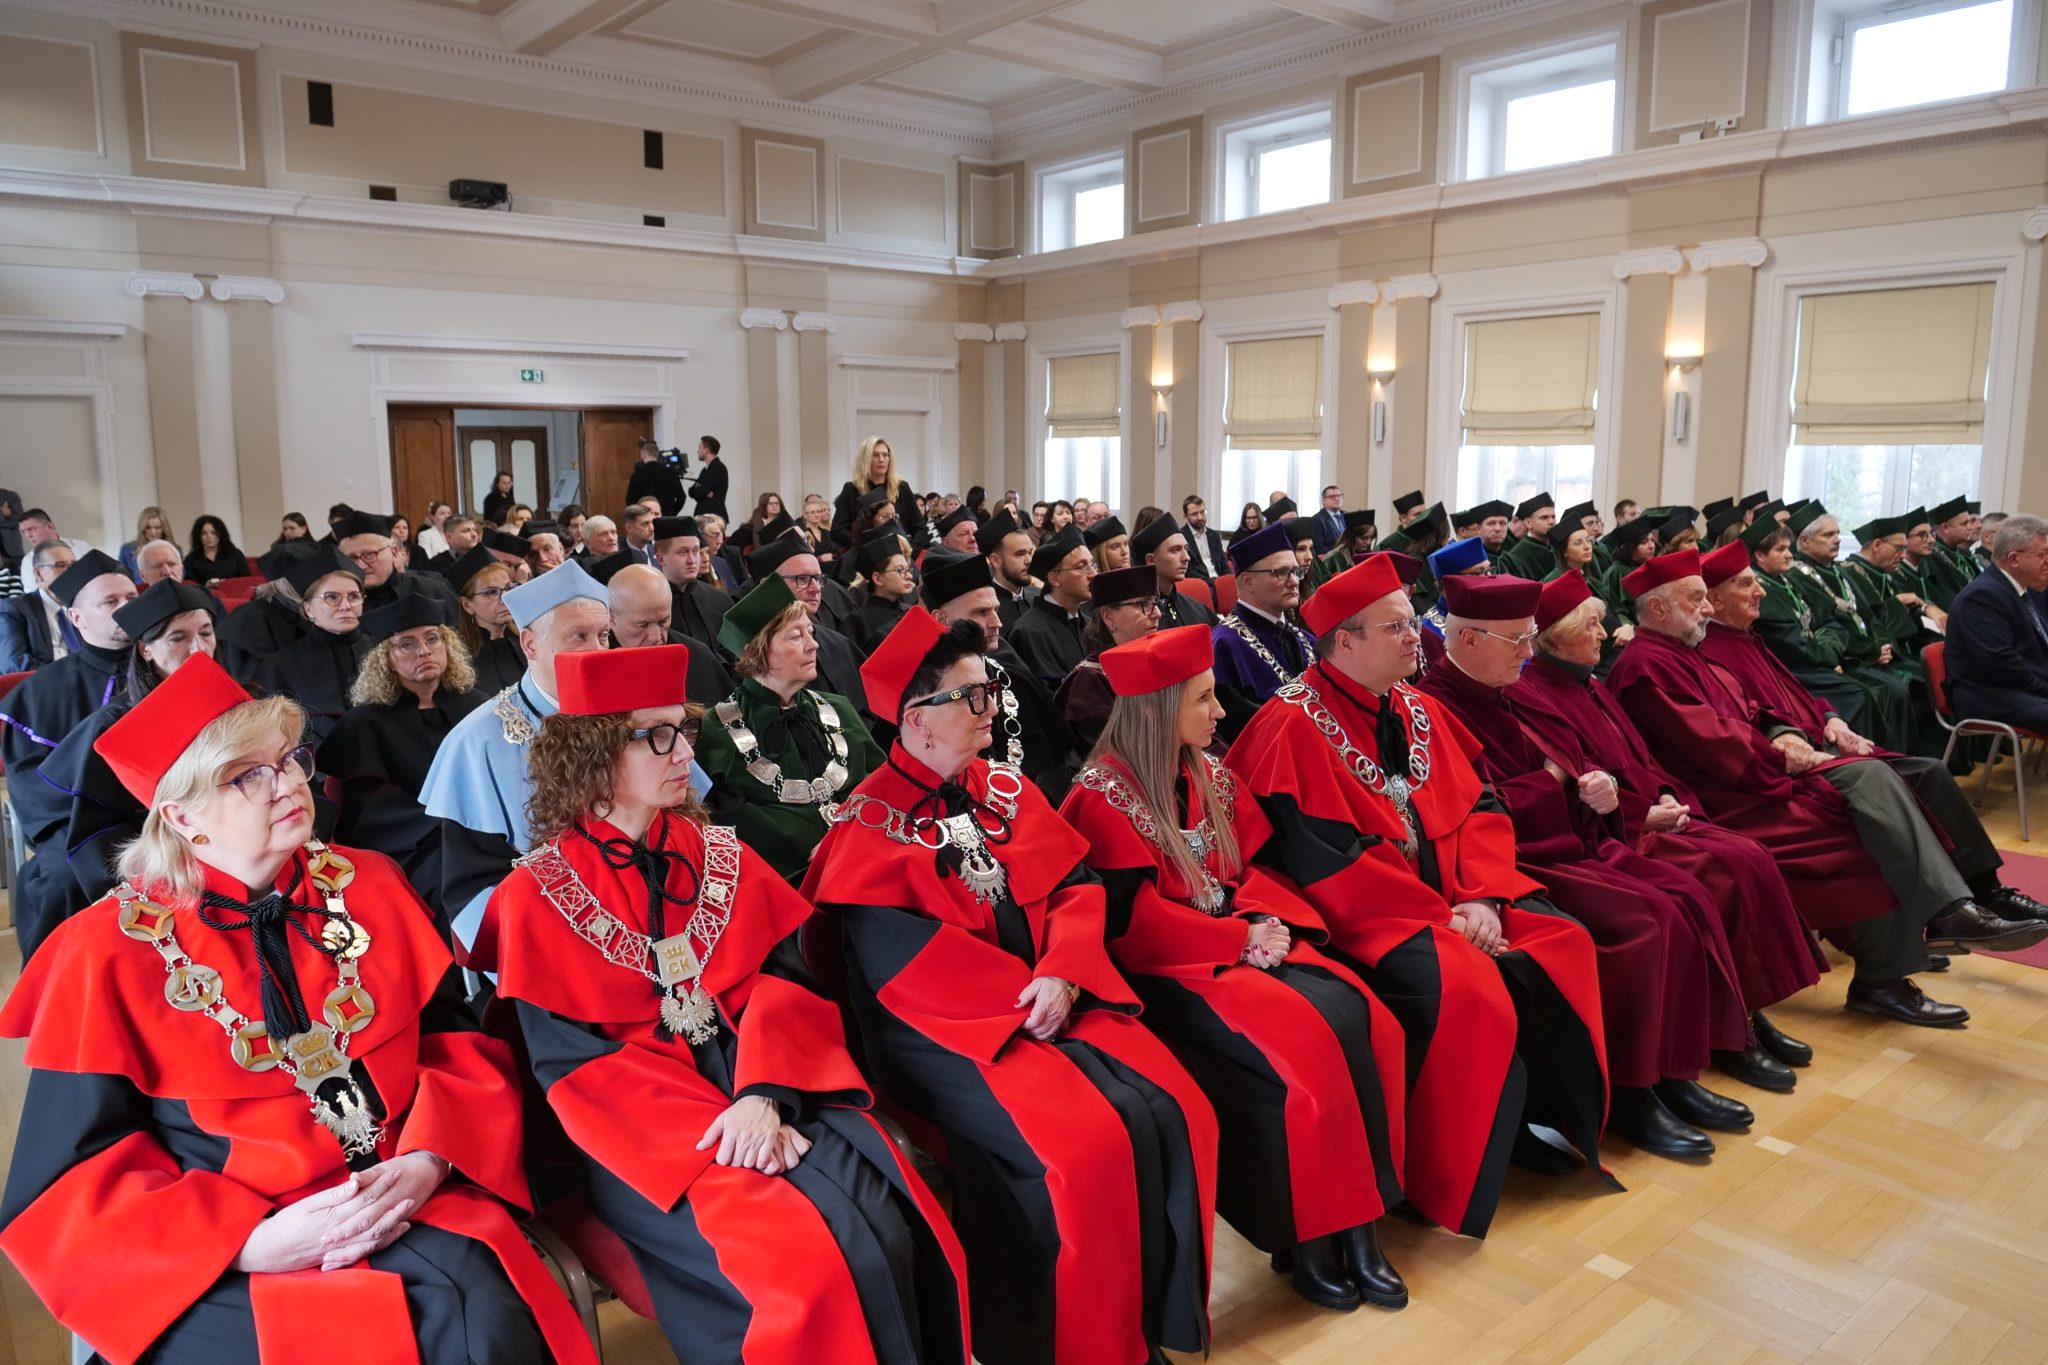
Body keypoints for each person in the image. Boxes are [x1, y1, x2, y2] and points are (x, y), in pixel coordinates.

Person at [0, 655, 597, 1365]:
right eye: (248, 773)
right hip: (225, 1252)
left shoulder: (370, 882)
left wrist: (435, 1156)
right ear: (180, 816)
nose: (287, 782)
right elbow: (72, 1179)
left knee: (482, 1314)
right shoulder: (102, 951)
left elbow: (454, 1043)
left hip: (407, 1197)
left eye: (289, 758)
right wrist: (243, 1242)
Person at [472, 645, 968, 1364]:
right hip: (652, 1148)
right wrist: (721, 1125)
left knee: (888, 1230)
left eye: (683, 728)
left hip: (773, 1101)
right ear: (593, 750)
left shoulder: (720, 854)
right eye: (657, 734)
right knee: (805, 1272)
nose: (684, 751)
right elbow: (573, 1069)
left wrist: (762, 1094)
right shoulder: (533, 894)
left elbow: (787, 981)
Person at [804, 609, 1218, 1365]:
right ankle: (1075, 1345)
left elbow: (1077, 885)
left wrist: (1062, 968)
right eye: (972, 697)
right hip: (947, 1037)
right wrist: (1031, 997)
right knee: (1085, 1147)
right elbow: (907, 971)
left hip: (1053, 995)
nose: (991, 708)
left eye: (988, 690)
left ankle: (1144, 1323)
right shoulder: (868, 826)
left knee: (1169, 1106)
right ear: (916, 718)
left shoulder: (1001, 783)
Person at [1228, 554, 1610, 1232]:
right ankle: (1435, 1174)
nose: (1418, 638)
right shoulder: (1289, 725)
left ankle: (1518, 1120)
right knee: (1469, 985)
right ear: (1345, 641)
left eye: (1413, 624)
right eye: (1397, 627)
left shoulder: (1417, 706)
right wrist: (1448, 915)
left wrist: (1486, 896)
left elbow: (1481, 807)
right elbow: (1327, 862)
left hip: (1459, 897)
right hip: (1365, 914)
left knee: (1563, 940)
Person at [1062, 626, 1409, 1311]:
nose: (1220, 713)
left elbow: (1255, 868)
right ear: (1160, 708)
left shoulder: (1208, 772)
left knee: (1366, 1016)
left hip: (1240, 938)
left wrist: (1260, 920)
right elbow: (1131, 924)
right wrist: (1233, 939)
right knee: (1306, 1047)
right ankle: (1312, 1236)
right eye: (1204, 699)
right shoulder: (1103, 795)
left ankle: (1364, 1223)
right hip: (1175, 968)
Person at [1607, 546, 2045, 1027]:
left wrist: (1788, 732)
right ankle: (1920, 940)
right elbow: (1712, 743)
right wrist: (1786, 754)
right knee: (1870, 805)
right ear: (1661, 608)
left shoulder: (1686, 651)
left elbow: (1756, 711)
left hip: (1760, 782)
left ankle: (1914, 948)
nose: (1708, 608)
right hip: (1728, 800)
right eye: (1697, 599)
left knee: (1879, 817)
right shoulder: (1647, 664)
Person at [1418, 572, 1763, 1157]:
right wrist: (1560, 785)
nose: (1529, 652)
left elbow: (1570, 763)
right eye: (1517, 640)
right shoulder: (1434, 704)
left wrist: (1592, 788)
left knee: (1685, 896)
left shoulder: (1502, 687)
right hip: (1514, 862)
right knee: (1642, 925)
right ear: (1469, 639)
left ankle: (1676, 1071)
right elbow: (1478, 806)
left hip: (1569, 839)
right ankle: (1632, 1093)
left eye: (1530, 637)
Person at [1510, 569, 1824, 1089]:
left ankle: (1745, 1012)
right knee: (1722, 872)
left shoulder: (1588, 684)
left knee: (1750, 856)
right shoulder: (1535, 691)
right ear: (1558, 633)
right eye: (1591, 625)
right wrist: (1642, 813)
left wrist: (1664, 792)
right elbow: (1580, 783)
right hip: (1618, 831)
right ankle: (1731, 1031)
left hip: (1652, 812)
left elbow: (1640, 756)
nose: (1604, 635)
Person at [1696, 540, 2047, 926]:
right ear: (1714, 597)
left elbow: (1795, 692)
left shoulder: (1744, 637)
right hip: (1792, 767)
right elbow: (1757, 718)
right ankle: (1954, 906)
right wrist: (1807, 736)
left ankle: (1982, 893)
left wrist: (1832, 718)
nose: (1762, 590)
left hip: (1822, 740)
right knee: (1917, 778)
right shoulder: (1713, 648)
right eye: (1747, 585)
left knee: (1928, 772)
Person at [10, 579, 221, 963]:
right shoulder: (113, 724)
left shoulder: (237, 700)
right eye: (178, 638)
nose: (198, 648)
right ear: (145, 649)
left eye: (206, 633)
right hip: (140, 836)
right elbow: (98, 822)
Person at [420, 560, 612, 949]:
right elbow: (473, 889)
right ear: (529, 644)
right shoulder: (476, 741)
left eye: (604, 635)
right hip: (544, 924)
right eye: (579, 636)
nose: (597, 651)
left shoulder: (634, 713)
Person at [698, 575, 882, 882]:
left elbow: (878, 786)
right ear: (754, 651)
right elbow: (738, 828)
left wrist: (845, 838)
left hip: (864, 862)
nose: (814, 645)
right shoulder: (714, 731)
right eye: (796, 637)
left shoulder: (839, 709)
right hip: (786, 887)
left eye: (810, 632)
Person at [319, 595, 488, 906]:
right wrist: (444, 822)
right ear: (387, 658)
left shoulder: (478, 706)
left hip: (487, 829)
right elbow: (368, 812)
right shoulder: (365, 724)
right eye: (406, 644)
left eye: (432, 639)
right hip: (418, 846)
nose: (423, 650)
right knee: (453, 878)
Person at [921, 550, 1082, 805]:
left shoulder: (1012, 676)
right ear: (942, 619)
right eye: (981, 612)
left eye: (995, 609)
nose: (996, 622)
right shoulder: (918, 693)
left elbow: (1055, 762)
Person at [0, 549, 135, 787]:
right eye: (110, 601)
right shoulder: (39, 693)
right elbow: (36, 791)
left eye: (132, 599)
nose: (125, 608)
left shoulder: (164, 669)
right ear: (76, 618)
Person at [1941, 512, 2048, 736]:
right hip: (1989, 696)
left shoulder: (2025, 588)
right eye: (2043, 555)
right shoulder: (1983, 596)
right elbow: (2002, 666)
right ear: (2013, 559)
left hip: (2017, 688)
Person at [255, 548, 370, 749]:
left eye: (353, 596)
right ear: (308, 608)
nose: (346, 606)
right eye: (332, 598)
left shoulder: (385, 652)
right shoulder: (279, 667)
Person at [1212, 522, 1316, 740]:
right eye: (1281, 573)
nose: (1294, 581)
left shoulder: (1305, 638)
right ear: (1248, 581)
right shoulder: (1224, 645)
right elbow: (1242, 729)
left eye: (1296, 571)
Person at [746, 537, 871, 714]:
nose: (816, 588)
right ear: (767, 584)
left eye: (818, 579)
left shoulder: (838, 643)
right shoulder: (753, 651)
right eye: (803, 579)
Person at [1053, 565, 1161, 752]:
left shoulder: (1155, 662)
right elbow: (1115, 753)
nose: (1157, 613)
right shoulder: (1089, 682)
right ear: (1109, 617)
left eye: (1156, 603)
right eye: (1143, 605)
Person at [1008, 530, 1092, 685]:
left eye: (1092, 565)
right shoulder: (1029, 632)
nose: (1092, 574)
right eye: (1081, 567)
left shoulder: (1089, 624)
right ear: (1054, 578)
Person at [445, 546, 527, 694]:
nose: (504, 599)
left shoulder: (526, 640)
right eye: (491, 592)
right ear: (467, 605)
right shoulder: (459, 658)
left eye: (508, 588)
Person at [656, 516, 733, 654]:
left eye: (696, 551)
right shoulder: (649, 606)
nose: (692, 560)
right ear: (661, 558)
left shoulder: (719, 600)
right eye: (683, 552)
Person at [0, 538, 78, 671]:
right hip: (45, 685)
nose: (70, 572)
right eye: (60, 565)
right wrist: (66, 678)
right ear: (39, 574)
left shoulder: (82, 607)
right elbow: (14, 664)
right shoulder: (14, 609)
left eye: (73, 566)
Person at [832, 438, 925, 549]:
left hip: (900, 556)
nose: (881, 460)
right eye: (875, 455)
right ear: (865, 459)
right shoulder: (851, 489)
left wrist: (909, 552)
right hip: (863, 557)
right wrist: (864, 547)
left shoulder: (902, 488)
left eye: (885, 455)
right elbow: (837, 531)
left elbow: (920, 528)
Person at [1132, 515, 1216, 630]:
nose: (1186, 557)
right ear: (1151, 560)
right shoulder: (1140, 617)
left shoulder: (1195, 608)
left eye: (1185, 549)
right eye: (1175, 550)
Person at [978, 509, 1033, 627]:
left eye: (1030, 553)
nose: (1029, 561)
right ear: (995, 560)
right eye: (1020, 554)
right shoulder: (984, 611)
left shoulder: (1039, 601)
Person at [1497, 495, 1558, 579]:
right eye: (1544, 517)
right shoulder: (1516, 557)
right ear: (1528, 523)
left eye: (1553, 517)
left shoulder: (1557, 548)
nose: (1551, 522)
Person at [185, 514, 252, 584]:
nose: (209, 536)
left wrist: (228, 583)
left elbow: (247, 581)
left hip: (233, 593)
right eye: (204, 533)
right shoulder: (191, 559)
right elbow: (189, 586)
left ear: (221, 534)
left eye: (213, 533)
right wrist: (205, 586)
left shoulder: (235, 554)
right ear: (198, 536)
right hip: (203, 594)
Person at [1180, 496, 1228, 581]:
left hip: (1218, 581)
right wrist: (1213, 582)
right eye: (1194, 514)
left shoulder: (1214, 535)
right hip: (1200, 584)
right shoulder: (1181, 536)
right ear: (1186, 516)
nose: (1200, 517)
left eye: (1202, 512)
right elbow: (1188, 571)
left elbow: (1224, 565)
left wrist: (1228, 580)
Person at [117, 505, 171, 578]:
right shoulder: (127, 550)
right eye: (148, 528)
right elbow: (121, 579)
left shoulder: (175, 549)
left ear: (164, 529)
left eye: (157, 528)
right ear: (142, 528)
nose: (153, 533)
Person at [689, 433, 730, 521]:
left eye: (700, 448)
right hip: (704, 516)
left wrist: (700, 491)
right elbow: (692, 492)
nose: (697, 451)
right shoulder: (705, 470)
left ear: (706, 450)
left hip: (713, 517)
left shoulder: (717, 468)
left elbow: (700, 493)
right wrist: (702, 492)